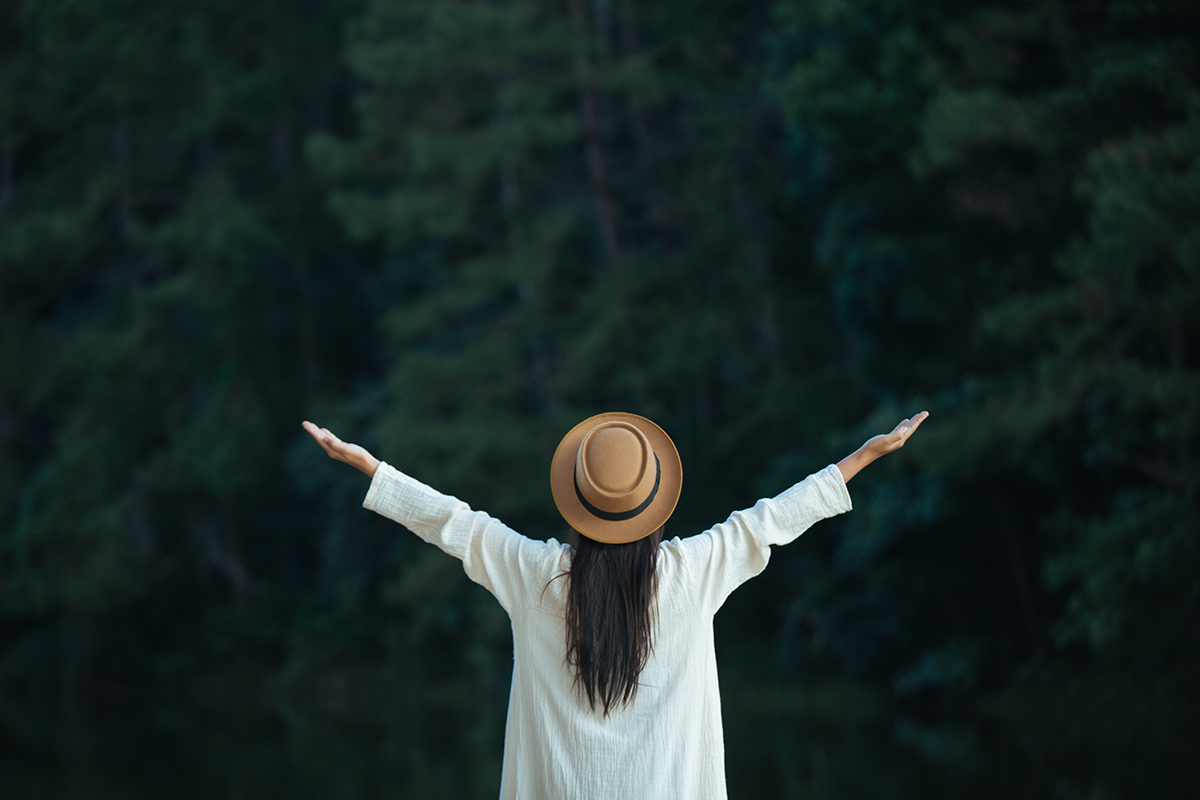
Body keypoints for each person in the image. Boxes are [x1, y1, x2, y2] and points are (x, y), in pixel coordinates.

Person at [302, 410, 928, 800]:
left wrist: (370, 467)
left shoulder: (535, 575)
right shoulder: (692, 573)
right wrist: (865, 457)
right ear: (653, 507)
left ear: (578, 505)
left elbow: (453, 524)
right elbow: (770, 521)